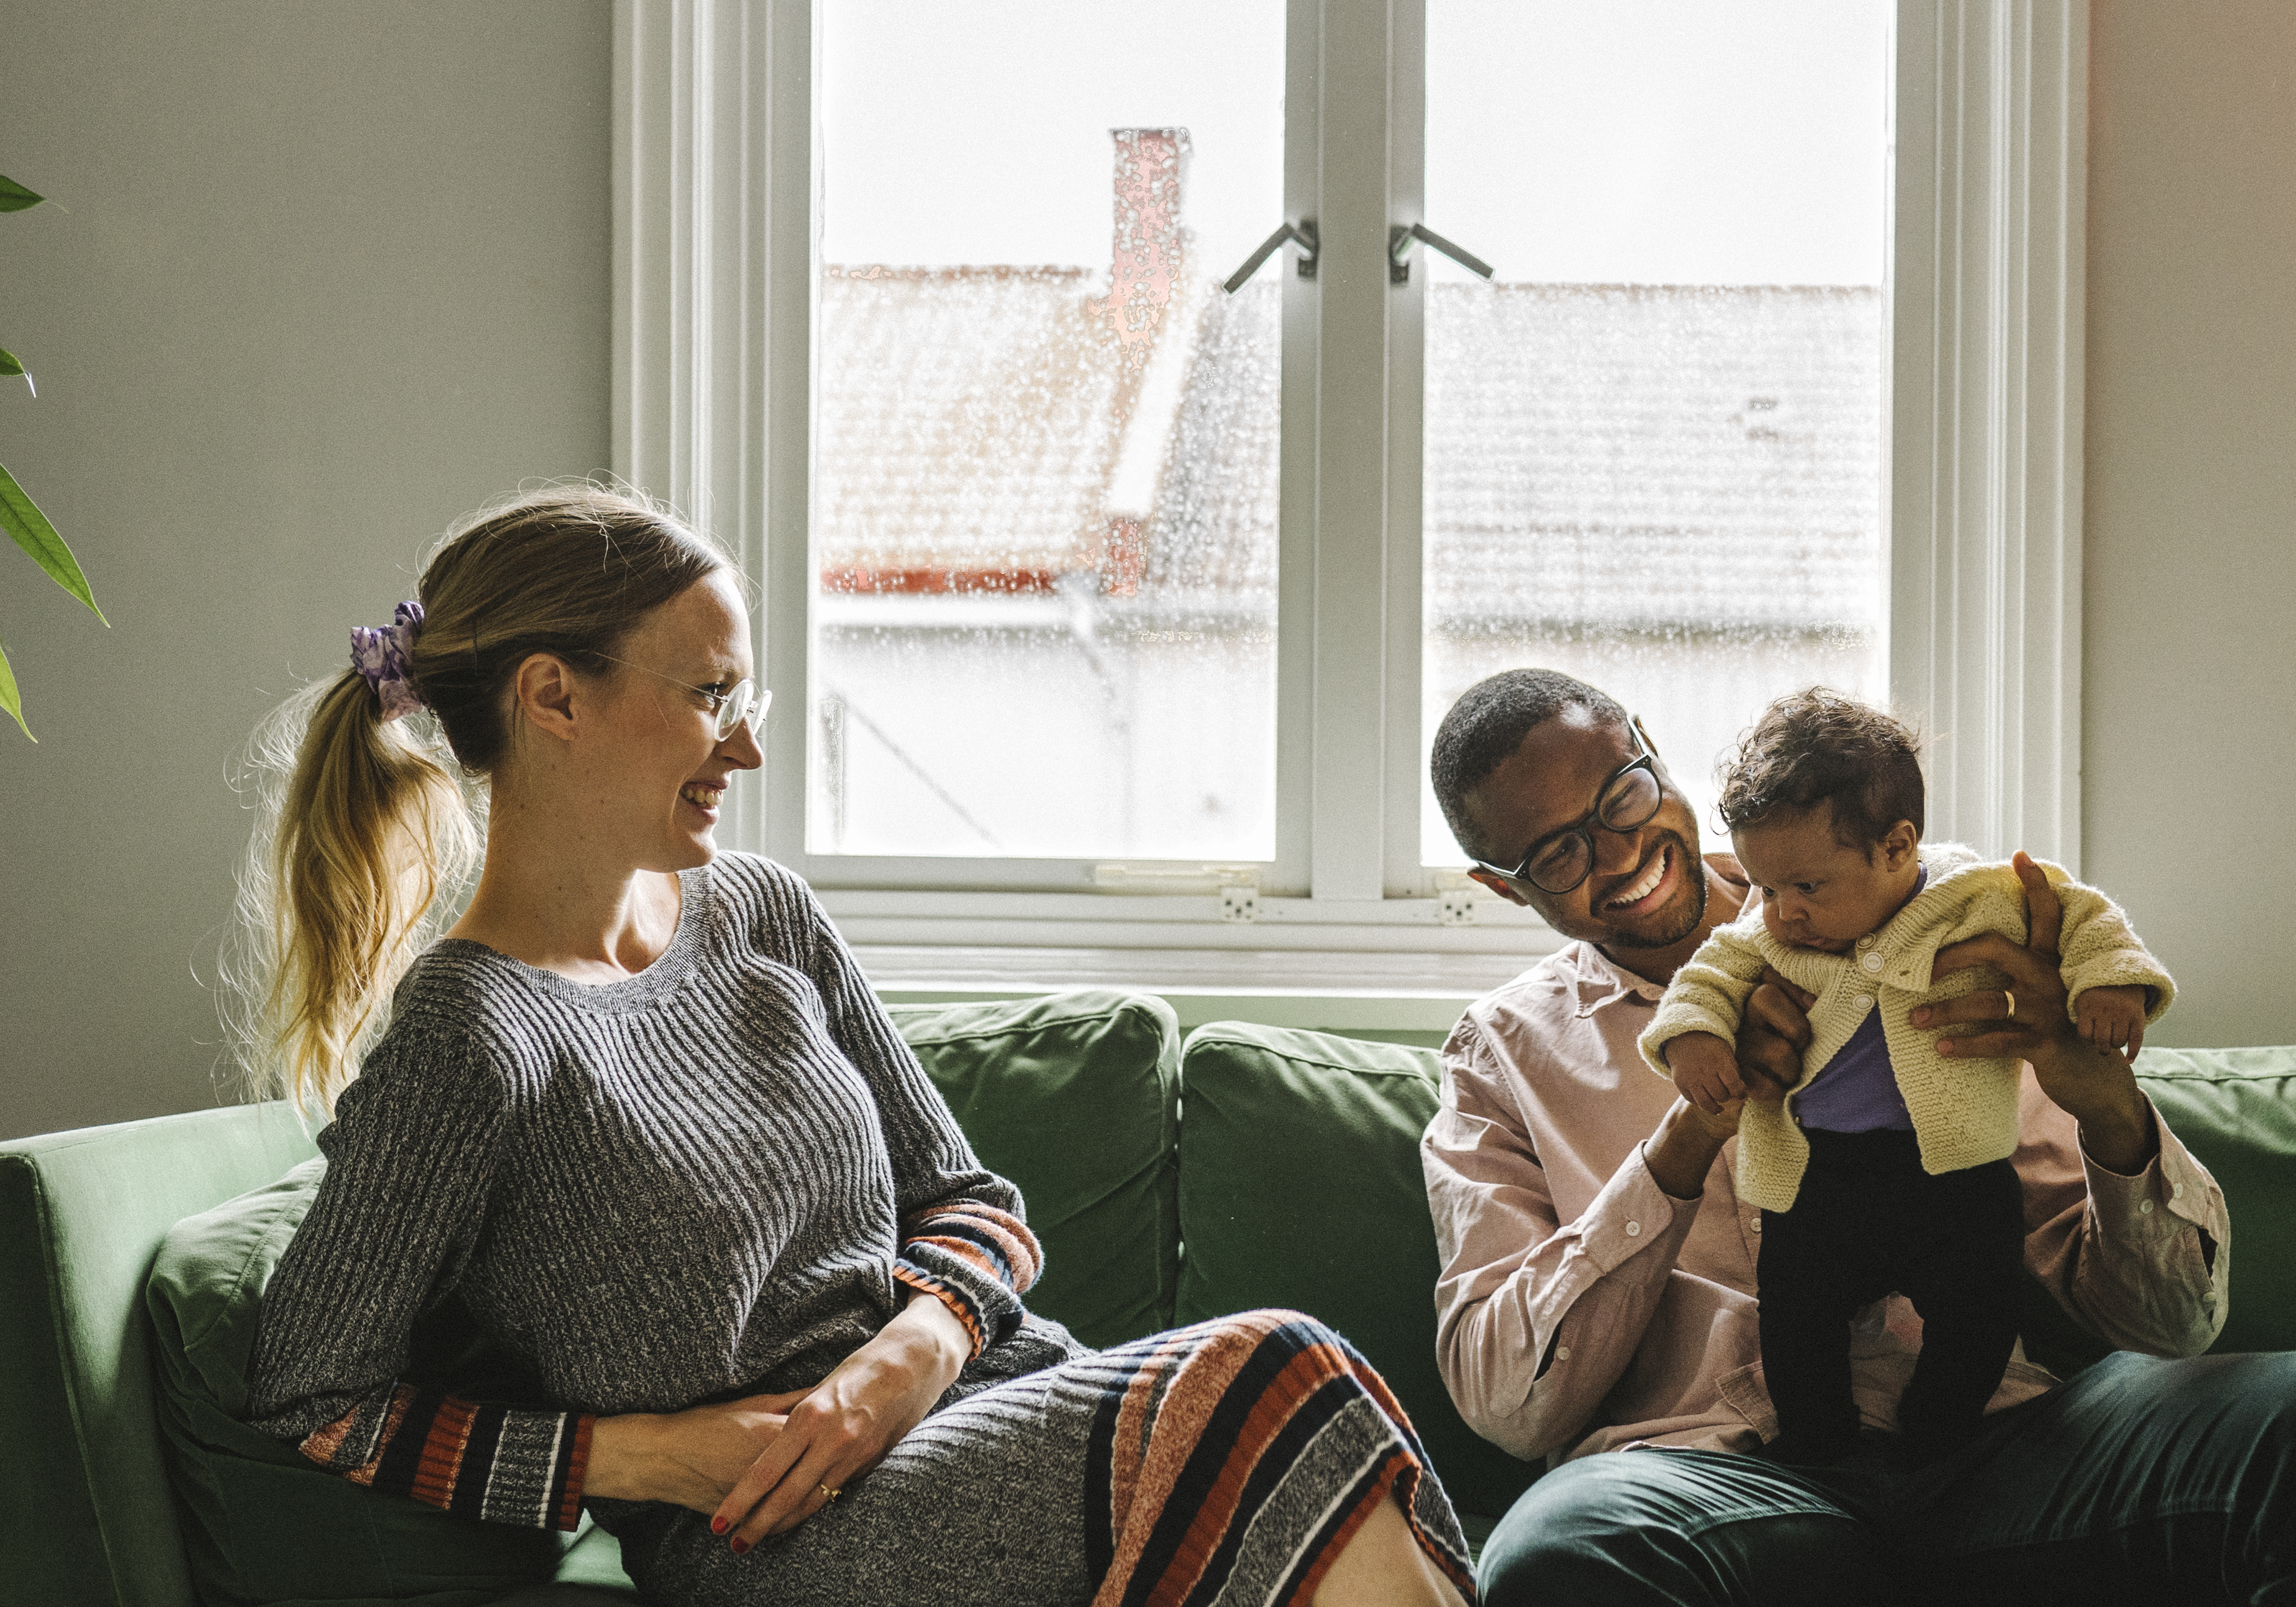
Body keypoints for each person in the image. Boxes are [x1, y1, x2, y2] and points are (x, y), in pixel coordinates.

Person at [234, 486, 1471, 1607]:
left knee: (1303, 1412)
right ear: (556, 696)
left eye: (747, 699)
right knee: (1279, 1372)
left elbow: (978, 1207)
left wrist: (911, 1354)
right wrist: (642, 1457)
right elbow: (313, 1390)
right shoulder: (473, 1035)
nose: (749, 748)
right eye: (710, 697)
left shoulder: (765, 914)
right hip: (783, 1537)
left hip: (970, 1410)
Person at [1420, 667, 2296, 1605]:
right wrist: (1691, 1134)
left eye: (1623, 794)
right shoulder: (1501, 1056)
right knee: (1558, 1558)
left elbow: (2166, 1323)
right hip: (1719, 1490)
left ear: (1651, 749)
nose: (1621, 852)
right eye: (1557, 854)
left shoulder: (1945, 917)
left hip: (2002, 1444)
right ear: (1496, 887)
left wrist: (2101, 1098)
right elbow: (1506, 1401)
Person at [1641, 688, 2174, 1464]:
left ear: (1896, 847)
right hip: (1817, 1175)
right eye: (1766, 887)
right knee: (1795, 1318)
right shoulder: (1770, 935)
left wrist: (2111, 985)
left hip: (1957, 1170)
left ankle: (1942, 1428)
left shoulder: (1979, 897)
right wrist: (1692, 1040)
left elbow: (2090, 919)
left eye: (1808, 887)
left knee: (1983, 1309)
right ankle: (1820, 1446)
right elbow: (1706, 981)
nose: (1782, 911)